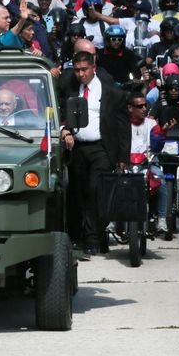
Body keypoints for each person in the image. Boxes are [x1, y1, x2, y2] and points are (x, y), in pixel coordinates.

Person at [60, 51, 130, 254]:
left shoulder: (110, 91)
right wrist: (65, 130)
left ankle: (94, 237)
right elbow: (62, 113)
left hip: (102, 148)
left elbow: (122, 126)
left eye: (84, 70)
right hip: (77, 149)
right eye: (77, 70)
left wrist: (122, 157)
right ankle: (79, 235)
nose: (81, 74)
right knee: (78, 193)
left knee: (95, 190)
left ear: (93, 68)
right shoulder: (71, 88)